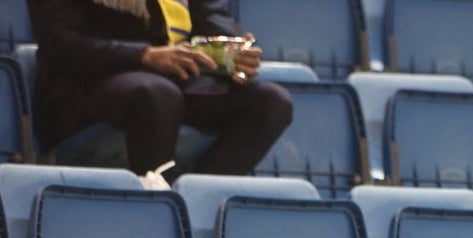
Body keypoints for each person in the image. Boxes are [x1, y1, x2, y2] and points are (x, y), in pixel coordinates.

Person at [29, 0, 293, 182]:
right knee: (157, 95)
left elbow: (213, 21)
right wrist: (144, 55)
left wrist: (233, 53)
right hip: (84, 85)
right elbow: (58, 46)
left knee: (271, 103)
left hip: (171, 78)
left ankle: (190, 204)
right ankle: (153, 208)